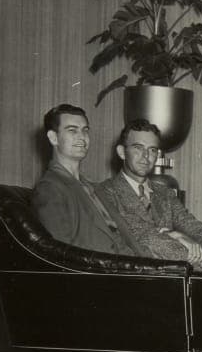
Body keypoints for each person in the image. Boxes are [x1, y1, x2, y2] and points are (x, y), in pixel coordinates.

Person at [97, 119, 202, 275]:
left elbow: (192, 226)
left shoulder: (165, 193)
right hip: (134, 281)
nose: (146, 156)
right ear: (121, 152)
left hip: (177, 281)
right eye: (138, 148)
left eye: (152, 150)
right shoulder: (105, 192)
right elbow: (141, 234)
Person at [32, 103, 142, 257]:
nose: (82, 137)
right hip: (102, 275)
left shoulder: (93, 187)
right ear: (53, 137)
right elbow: (59, 256)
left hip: (133, 268)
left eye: (85, 130)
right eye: (72, 130)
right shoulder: (50, 188)